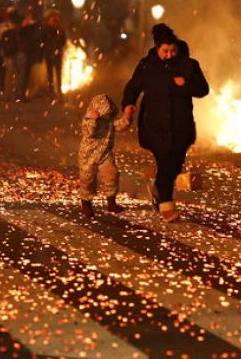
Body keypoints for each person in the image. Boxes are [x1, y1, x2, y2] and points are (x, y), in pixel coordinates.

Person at [122, 24, 209, 222]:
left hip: (181, 125)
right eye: (165, 51)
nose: (169, 55)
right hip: (155, 124)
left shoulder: (189, 65)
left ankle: (158, 189)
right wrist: (128, 105)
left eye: (172, 51)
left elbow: (203, 89)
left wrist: (185, 84)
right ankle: (166, 207)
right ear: (157, 48)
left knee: (174, 165)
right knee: (165, 163)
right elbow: (133, 87)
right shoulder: (147, 66)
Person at [78, 94, 131, 218]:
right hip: (88, 155)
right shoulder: (87, 120)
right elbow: (89, 132)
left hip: (105, 153)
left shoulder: (109, 121)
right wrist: (93, 120)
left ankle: (111, 202)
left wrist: (127, 117)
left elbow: (120, 125)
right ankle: (86, 204)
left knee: (111, 175)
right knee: (87, 180)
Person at [42, 12, 66, 100]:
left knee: (58, 73)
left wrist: (60, 32)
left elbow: (63, 42)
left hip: (57, 54)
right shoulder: (45, 29)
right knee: (50, 75)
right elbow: (42, 40)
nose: (53, 21)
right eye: (51, 19)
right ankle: (51, 93)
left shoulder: (59, 30)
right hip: (49, 54)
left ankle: (59, 92)